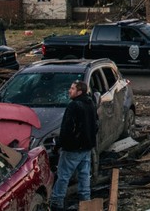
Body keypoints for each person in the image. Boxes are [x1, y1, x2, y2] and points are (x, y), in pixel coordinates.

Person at [50, 81, 98, 211]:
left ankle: (57, 202)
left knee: (63, 176)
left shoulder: (73, 106)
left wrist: (58, 145)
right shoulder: (90, 103)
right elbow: (96, 125)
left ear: (79, 91)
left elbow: (66, 129)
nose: (69, 91)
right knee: (84, 175)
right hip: (87, 146)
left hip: (73, 148)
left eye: (72, 89)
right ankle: (86, 201)